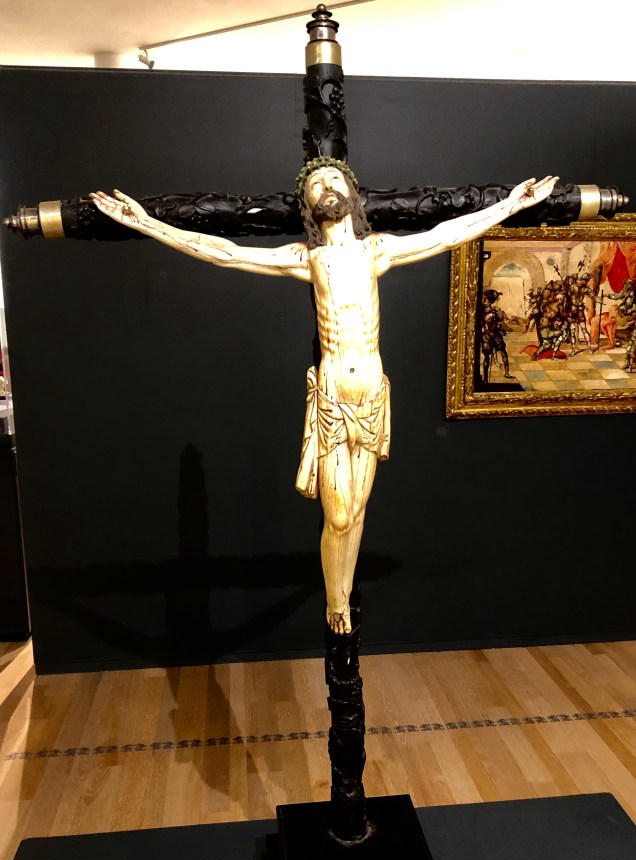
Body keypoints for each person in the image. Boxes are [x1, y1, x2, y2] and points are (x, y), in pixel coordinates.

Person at [91, 161, 557, 635]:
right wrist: (146, 224)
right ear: (309, 204)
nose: (327, 187)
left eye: (335, 180)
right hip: (333, 397)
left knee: (357, 511)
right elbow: (223, 253)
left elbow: (445, 235)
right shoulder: (308, 259)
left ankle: (344, 593)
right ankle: (336, 601)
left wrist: (510, 206)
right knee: (337, 514)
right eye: (317, 184)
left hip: (372, 396)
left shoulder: (376, 250)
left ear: (351, 193)